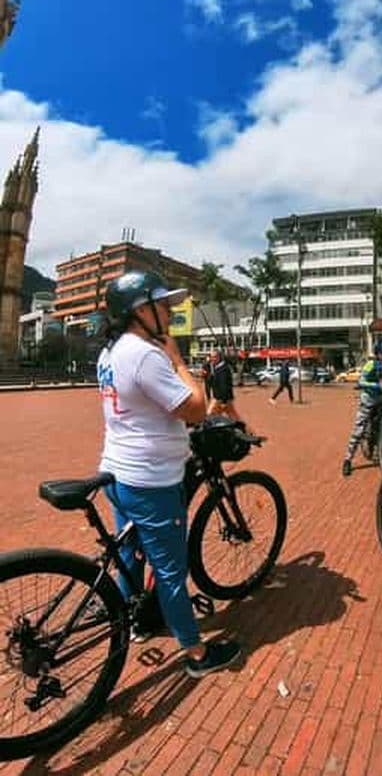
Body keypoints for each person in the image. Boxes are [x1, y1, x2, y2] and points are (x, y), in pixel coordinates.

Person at [97, 270, 242, 677]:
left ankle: (133, 620)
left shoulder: (110, 351)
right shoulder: (146, 355)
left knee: (129, 554)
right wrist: (178, 361)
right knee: (170, 571)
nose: (170, 312)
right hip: (151, 481)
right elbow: (194, 409)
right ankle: (196, 654)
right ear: (140, 311)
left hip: (118, 472)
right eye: (162, 305)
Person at [341, 340, 382, 477]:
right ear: (379, 355)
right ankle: (348, 459)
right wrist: (376, 385)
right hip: (369, 400)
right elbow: (361, 381)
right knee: (358, 430)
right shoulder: (370, 365)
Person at [206, 349, 245, 425]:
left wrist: (224, 401)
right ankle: (243, 427)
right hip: (222, 398)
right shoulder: (217, 367)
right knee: (233, 416)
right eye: (211, 357)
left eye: (214, 357)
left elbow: (224, 385)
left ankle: (242, 428)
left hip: (220, 398)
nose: (212, 359)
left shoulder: (223, 369)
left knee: (209, 415)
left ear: (219, 357)